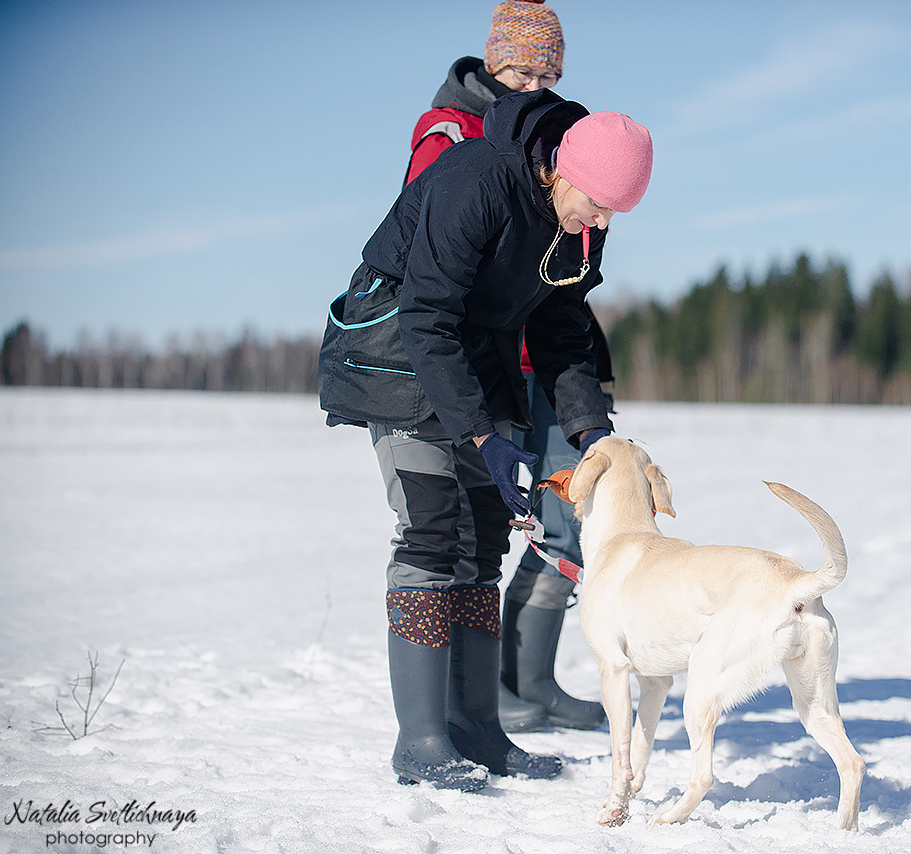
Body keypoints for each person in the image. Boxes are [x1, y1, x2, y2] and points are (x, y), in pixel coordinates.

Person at [319, 88, 653, 792]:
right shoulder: (477, 179)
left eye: (615, 212)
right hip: (400, 348)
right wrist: (480, 434)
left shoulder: (582, 225)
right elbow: (428, 311)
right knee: (432, 530)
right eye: (596, 202)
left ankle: (477, 729)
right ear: (563, 168)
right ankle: (421, 739)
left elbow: (562, 333)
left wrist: (592, 435)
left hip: (483, 356)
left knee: (483, 540)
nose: (601, 220)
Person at [403, 0, 609, 733]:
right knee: (444, 538)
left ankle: (518, 688)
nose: (534, 81)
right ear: (492, 62)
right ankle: (450, 721)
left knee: (550, 522)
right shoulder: (458, 142)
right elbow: (435, 277)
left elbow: (561, 293)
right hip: (456, 359)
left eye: (548, 70)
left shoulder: (569, 150)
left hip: (536, 358)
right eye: (522, 67)